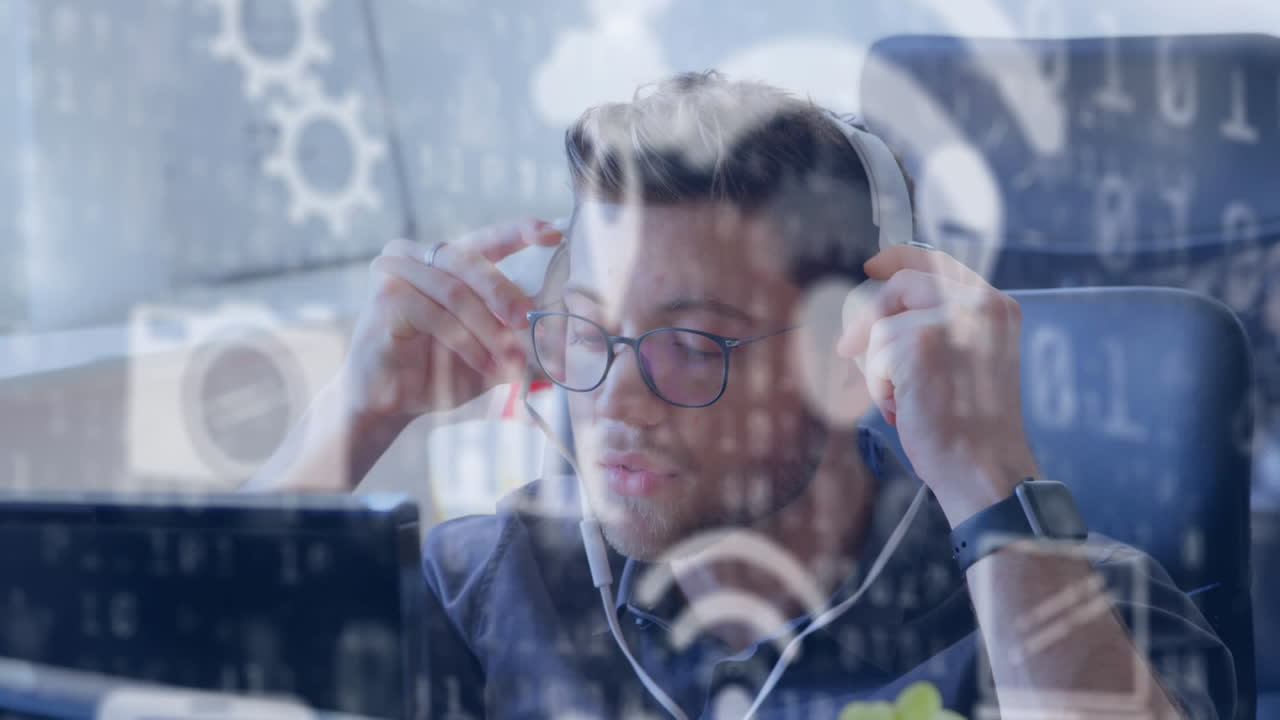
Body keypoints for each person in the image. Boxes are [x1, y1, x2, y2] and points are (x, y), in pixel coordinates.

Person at [247, 71, 1234, 719]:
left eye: (689, 344)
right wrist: (353, 416)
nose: (615, 400)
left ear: (845, 358)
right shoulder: (490, 588)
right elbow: (181, 689)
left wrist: (989, 479)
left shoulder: (1074, 610)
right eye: (584, 332)